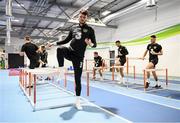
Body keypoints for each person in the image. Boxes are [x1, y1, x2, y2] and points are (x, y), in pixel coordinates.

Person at [50, 10, 96, 110]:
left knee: (77, 79)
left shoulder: (90, 30)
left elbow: (95, 44)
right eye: (81, 17)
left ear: (86, 18)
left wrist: (90, 44)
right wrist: (54, 43)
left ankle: (78, 101)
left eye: (84, 17)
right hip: (70, 51)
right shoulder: (73, 28)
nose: (82, 18)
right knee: (60, 49)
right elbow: (66, 40)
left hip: (79, 57)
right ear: (78, 17)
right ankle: (61, 71)